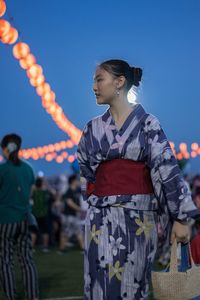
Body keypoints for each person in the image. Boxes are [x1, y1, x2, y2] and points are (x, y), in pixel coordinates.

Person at [77, 59, 199, 300]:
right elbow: (87, 175)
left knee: (133, 287)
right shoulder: (92, 129)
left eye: (99, 79)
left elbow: (166, 169)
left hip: (138, 219)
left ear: (119, 82)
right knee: (97, 285)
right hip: (99, 221)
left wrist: (181, 217)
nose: (94, 86)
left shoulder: (148, 124)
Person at [0, 134, 39, 300]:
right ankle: (33, 296)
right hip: (24, 219)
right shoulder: (28, 168)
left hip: (5, 219)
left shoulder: (2, 169)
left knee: (5, 261)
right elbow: (30, 194)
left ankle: (11, 296)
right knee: (27, 260)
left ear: (5, 149)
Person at [58, 174, 84, 253]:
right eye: (76, 180)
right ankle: (61, 249)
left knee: (78, 231)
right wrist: (79, 209)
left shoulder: (76, 190)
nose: (78, 182)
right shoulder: (69, 190)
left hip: (74, 215)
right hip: (69, 215)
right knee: (66, 232)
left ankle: (83, 248)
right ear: (73, 181)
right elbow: (69, 202)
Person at [31, 176, 51, 252]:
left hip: (35, 214)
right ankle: (45, 247)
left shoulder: (34, 192)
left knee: (33, 231)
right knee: (45, 231)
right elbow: (54, 194)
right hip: (44, 214)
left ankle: (31, 247)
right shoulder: (45, 192)